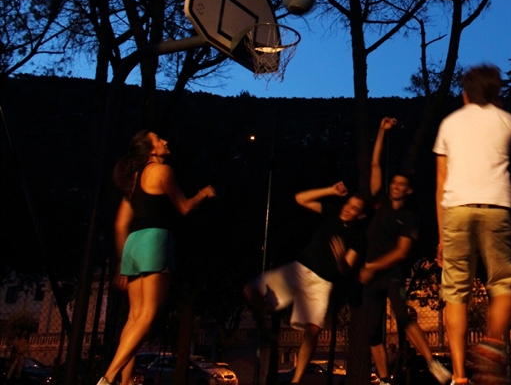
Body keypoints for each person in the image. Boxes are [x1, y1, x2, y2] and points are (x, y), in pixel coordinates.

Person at [98, 130, 216, 385]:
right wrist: (204, 194)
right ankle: (107, 378)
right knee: (148, 315)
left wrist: (121, 261)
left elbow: (120, 225)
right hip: (154, 241)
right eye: (158, 139)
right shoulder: (163, 171)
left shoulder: (134, 179)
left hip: (133, 246)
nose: (165, 141)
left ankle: (124, 381)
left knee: (134, 318)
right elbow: (184, 207)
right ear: (151, 150)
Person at [434, 65, 511, 385]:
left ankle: (459, 377)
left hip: (456, 209)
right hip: (497, 206)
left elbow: (440, 182)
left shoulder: (449, 123)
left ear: (466, 92)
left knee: (455, 292)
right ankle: (492, 344)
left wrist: (442, 236)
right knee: (503, 283)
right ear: (496, 91)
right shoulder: (508, 121)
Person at [244, 182, 367, 385]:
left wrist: (339, 259)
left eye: (355, 208)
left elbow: (347, 267)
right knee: (250, 290)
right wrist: (330, 191)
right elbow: (300, 198)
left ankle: (296, 380)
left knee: (313, 331)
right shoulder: (332, 213)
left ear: (360, 215)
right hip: (299, 269)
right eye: (348, 204)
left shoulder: (358, 237)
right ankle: (266, 333)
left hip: (320, 283)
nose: (348, 209)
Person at [360, 118, 451, 384]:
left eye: (402, 184)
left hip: (392, 276)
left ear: (408, 190)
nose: (396, 186)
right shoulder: (379, 204)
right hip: (371, 279)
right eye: (394, 182)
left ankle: (432, 363)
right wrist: (380, 131)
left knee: (403, 314)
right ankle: (385, 379)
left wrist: (372, 267)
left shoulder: (409, 219)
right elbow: (375, 165)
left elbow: (401, 252)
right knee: (373, 333)